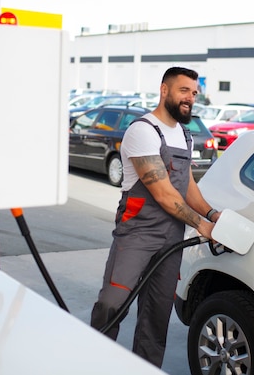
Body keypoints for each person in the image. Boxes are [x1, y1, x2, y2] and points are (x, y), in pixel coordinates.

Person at [90, 67, 221, 367]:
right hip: (136, 236)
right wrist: (203, 226)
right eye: (184, 90)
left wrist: (213, 213)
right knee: (111, 305)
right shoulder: (143, 130)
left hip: (171, 239)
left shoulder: (185, 135)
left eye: (194, 92)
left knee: (155, 318)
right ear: (164, 90)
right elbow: (162, 193)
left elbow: (186, 186)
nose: (191, 98)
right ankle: (92, 361)